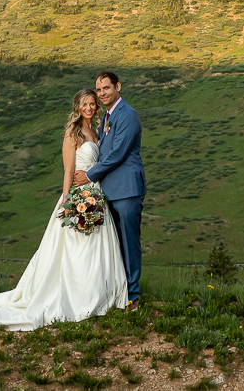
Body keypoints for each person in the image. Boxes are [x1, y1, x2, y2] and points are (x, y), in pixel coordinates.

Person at [0, 89, 127, 329]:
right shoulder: (73, 133)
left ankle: (99, 295)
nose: (89, 107)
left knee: (97, 249)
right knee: (75, 250)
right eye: (84, 104)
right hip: (78, 197)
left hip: (96, 195)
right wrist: (68, 203)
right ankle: (77, 298)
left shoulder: (97, 131)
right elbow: (68, 171)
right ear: (77, 107)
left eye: (92, 103)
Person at [73, 70, 145, 310]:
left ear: (118, 87)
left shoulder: (128, 115)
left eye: (107, 88)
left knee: (129, 243)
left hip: (126, 190)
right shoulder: (106, 117)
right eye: (99, 89)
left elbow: (117, 154)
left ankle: (132, 297)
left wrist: (89, 175)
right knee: (115, 246)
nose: (103, 93)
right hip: (108, 192)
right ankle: (117, 293)